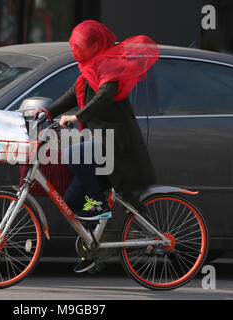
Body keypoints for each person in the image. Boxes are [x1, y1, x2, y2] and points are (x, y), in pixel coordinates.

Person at [34, 20, 159, 273]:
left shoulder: (109, 64)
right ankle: (96, 249)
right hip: (101, 138)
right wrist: (48, 111)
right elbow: (73, 93)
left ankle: (99, 206)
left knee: (73, 153)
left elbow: (104, 97)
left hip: (116, 141)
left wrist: (78, 117)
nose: (75, 51)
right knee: (70, 201)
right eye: (74, 46)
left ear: (95, 45)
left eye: (80, 46)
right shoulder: (91, 66)